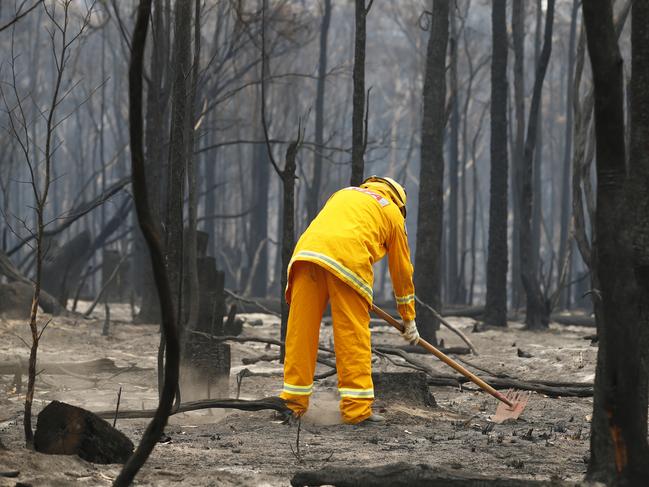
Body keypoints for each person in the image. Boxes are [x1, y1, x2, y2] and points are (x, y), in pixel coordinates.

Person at [280, 176, 419, 425]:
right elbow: (402, 271)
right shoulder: (393, 213)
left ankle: (292, 405)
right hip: (348, 262)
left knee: (300, 334)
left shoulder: (343, 192)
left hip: (306, 256)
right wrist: (408, 317)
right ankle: (357, 412)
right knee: (352, 336)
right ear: (400, 202)